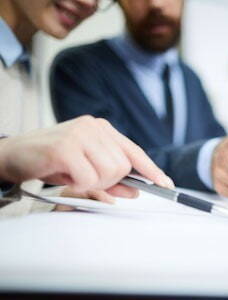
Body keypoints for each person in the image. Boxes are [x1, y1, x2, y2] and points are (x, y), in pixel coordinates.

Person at [50, 0, 228, 208]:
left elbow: (218, 143)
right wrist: (207, 161)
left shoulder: (189, 78)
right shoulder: (77, 68)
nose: (156, 4)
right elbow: (109, 163)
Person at [0, 0, 175, 218]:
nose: (88, 2)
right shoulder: (75, 66)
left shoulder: (23, 62)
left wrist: (53, 200)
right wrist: (4, 158)